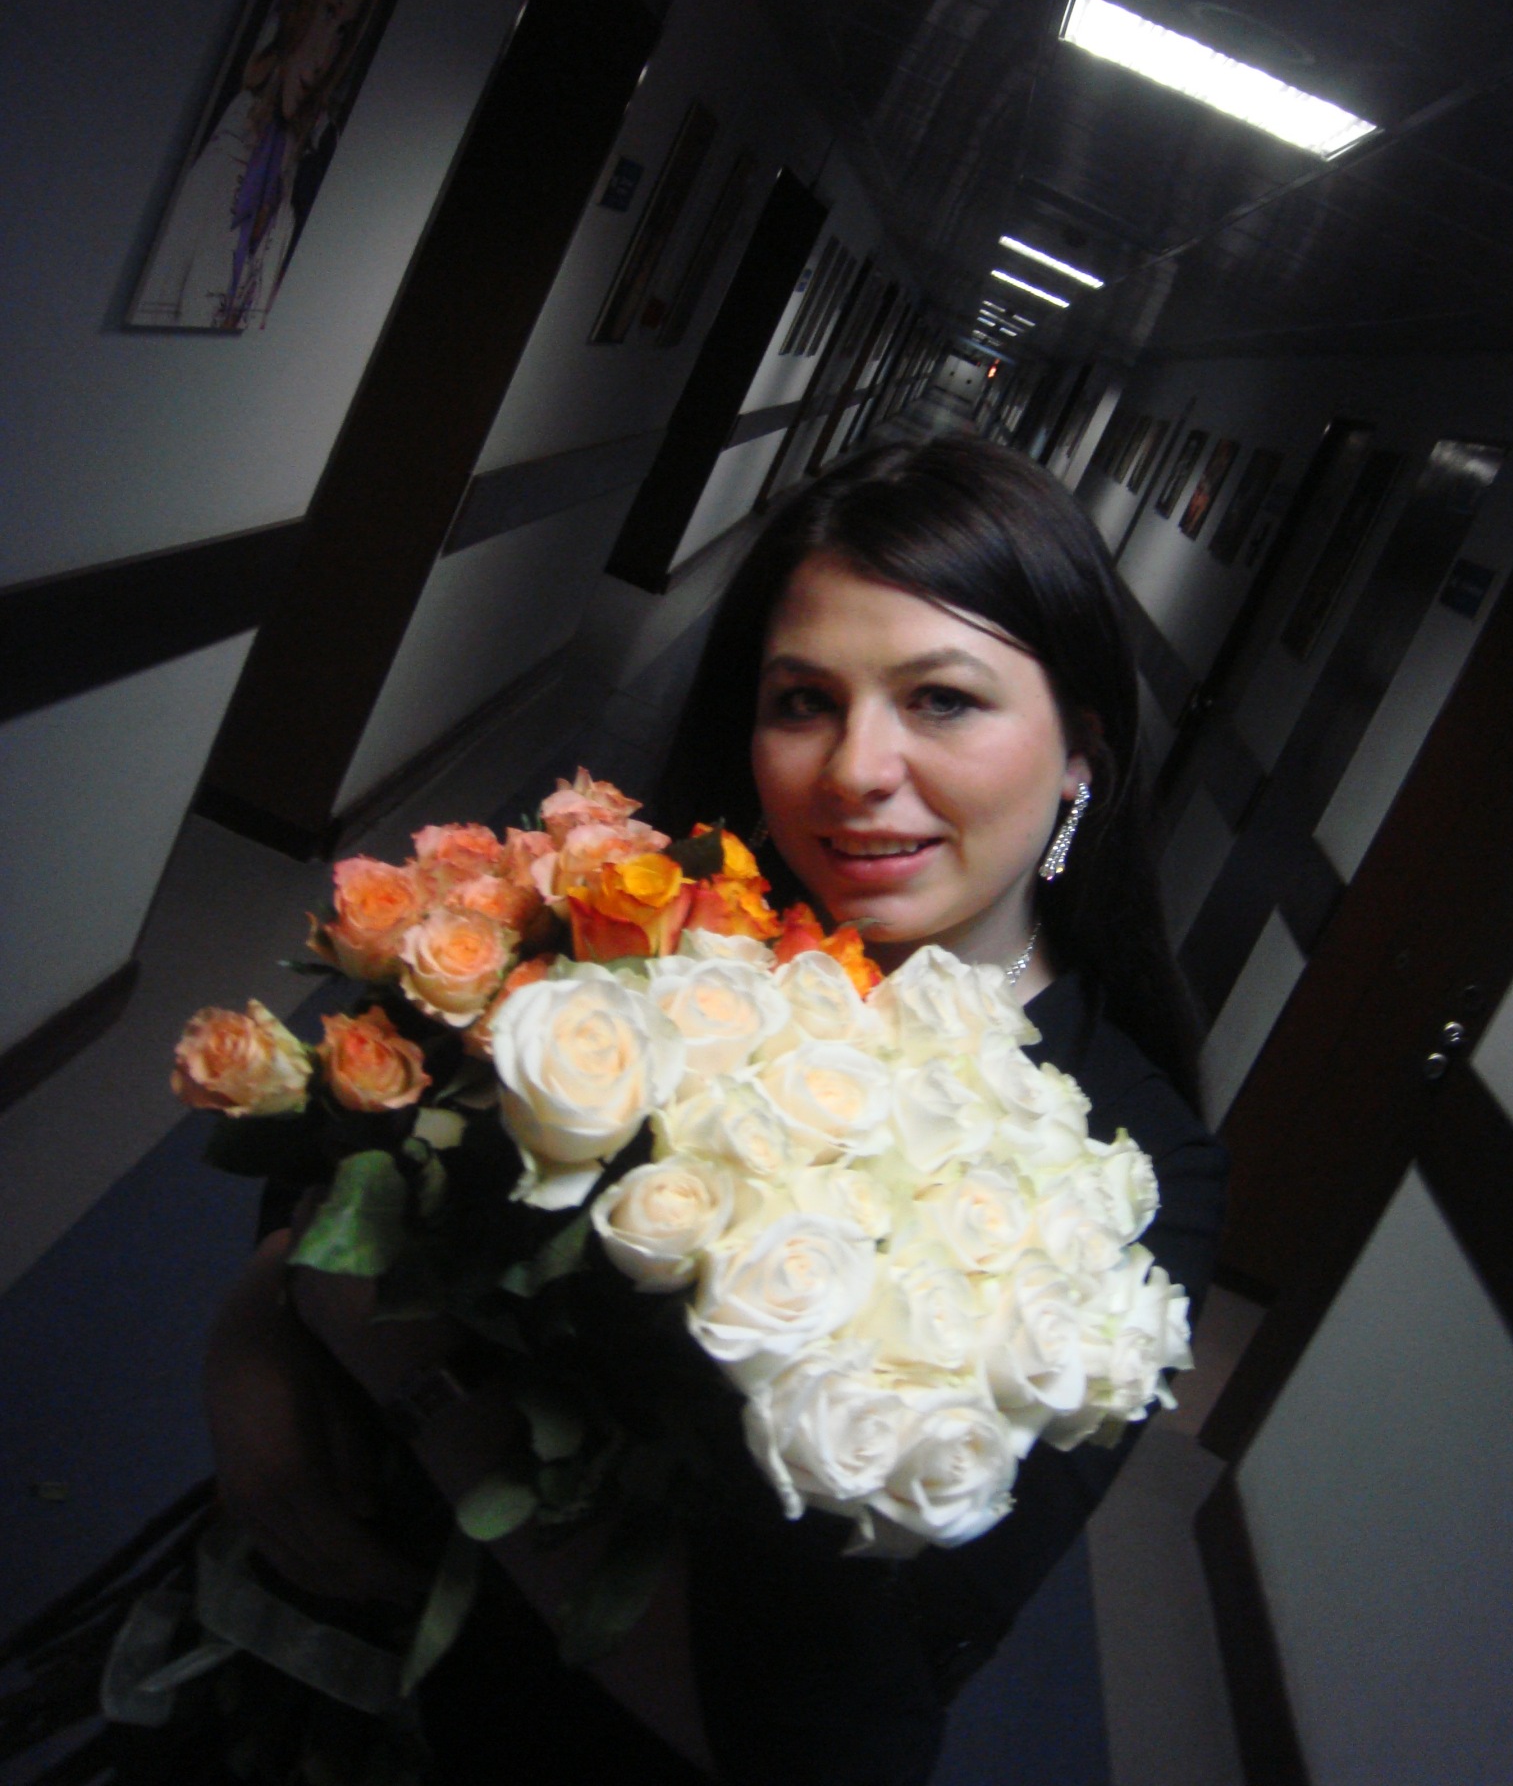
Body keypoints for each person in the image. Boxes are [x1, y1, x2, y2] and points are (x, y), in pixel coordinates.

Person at [206, 435, 1227, 1784]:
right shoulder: (654, 920)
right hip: (319, 1656)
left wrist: (408, 1375)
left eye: (942, 700)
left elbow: (825, 1736)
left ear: (1082, 751)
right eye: (804, 700)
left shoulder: (1125, 1172)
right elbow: (363, 1152)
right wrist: (265, 1307)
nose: (856, 768)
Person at [133, 0, 409, 330]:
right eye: (328, 11)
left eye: (344, 31)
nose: (324, 56)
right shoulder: (219, 165)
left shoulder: (286, 190)